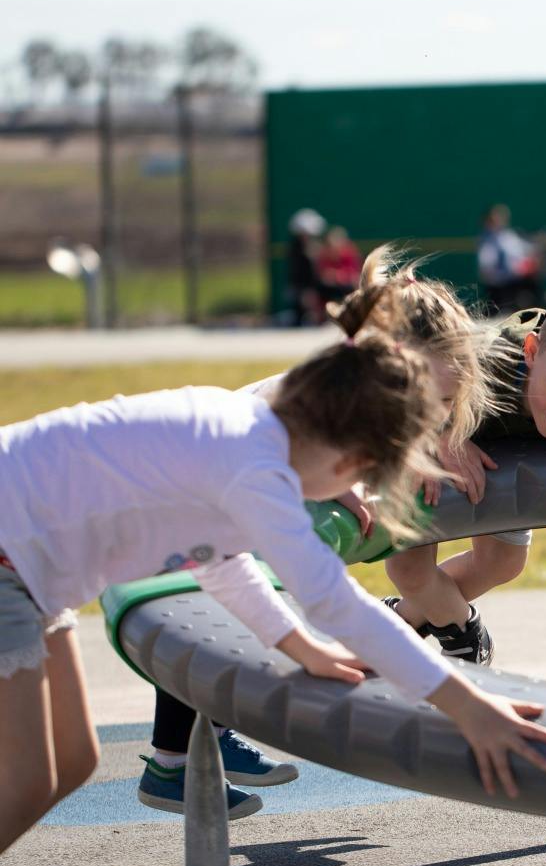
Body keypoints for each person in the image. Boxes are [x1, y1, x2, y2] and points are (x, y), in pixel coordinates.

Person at [0, 297, 546, 866]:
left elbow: (217, 559)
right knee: (28, 774)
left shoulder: (250, 435)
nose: (350, 494)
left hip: (32, 567)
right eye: (361, 480)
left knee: (75, 760)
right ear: (351, 456)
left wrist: (299, 647)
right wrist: (465, 705)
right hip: (8, 557)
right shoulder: (256, 470)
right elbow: (338, 601)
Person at [137, 246, 499, 817]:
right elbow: (274, 450)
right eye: (420, 399)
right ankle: (172, 762)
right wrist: (337, 488)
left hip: (206, 499)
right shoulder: (320, 401)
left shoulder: (371, 397)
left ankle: (201, 740)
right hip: (185, 501)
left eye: (446, 403)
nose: (429, 415)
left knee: (232, 610)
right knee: (227, 609)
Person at [383, 284, 546, 662]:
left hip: (500, 464)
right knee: (407, 568)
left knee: (503, 564)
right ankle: (466, 638)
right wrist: (443, 436)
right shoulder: (484, 366)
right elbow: (416, 386)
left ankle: (399, 621)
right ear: (532, 351)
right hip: (435, 452)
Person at [477, 204, 546, 314]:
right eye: (494, 218)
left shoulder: (508, 235)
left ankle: (540, 309)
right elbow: (487, 270)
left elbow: (525, 252)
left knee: (533, 283)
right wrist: (510, 273)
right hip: (501, 285)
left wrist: (537, 248)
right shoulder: (487, 241)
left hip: (516, 281)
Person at [286, 207, 327, 326]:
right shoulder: (297, 250)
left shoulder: (312, 246)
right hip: (303, 287)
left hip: (313, 285)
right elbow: (300, 275)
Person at [314, 225, 363, 305]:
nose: (334, 248)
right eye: (330, 245)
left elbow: (354, 277)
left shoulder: (349, 254)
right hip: (329, 294)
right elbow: (323, 277)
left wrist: (336, 275)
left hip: (347, 291)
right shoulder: (324, 256)